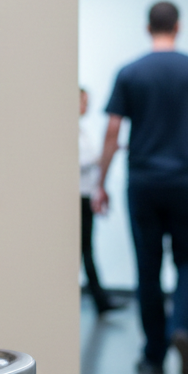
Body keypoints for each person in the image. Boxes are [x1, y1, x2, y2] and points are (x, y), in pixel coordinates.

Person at [92, 1, 188, 374]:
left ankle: (153, 354)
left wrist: (99, 183)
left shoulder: (130, 72)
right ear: (178, 27)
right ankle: (182, 329)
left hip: (144, 182)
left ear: (147, 27)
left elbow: (112, 132)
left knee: (148, 268)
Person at [79, 88, 122, 315]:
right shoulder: (69, 132)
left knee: (85, 249)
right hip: (77, 196)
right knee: (84, 250)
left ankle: (100, 299)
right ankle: (99, 299)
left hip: (86, 194)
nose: (87, 107)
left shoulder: (82, 130)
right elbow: (73, 161)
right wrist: (100, 158)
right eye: (84, 102)